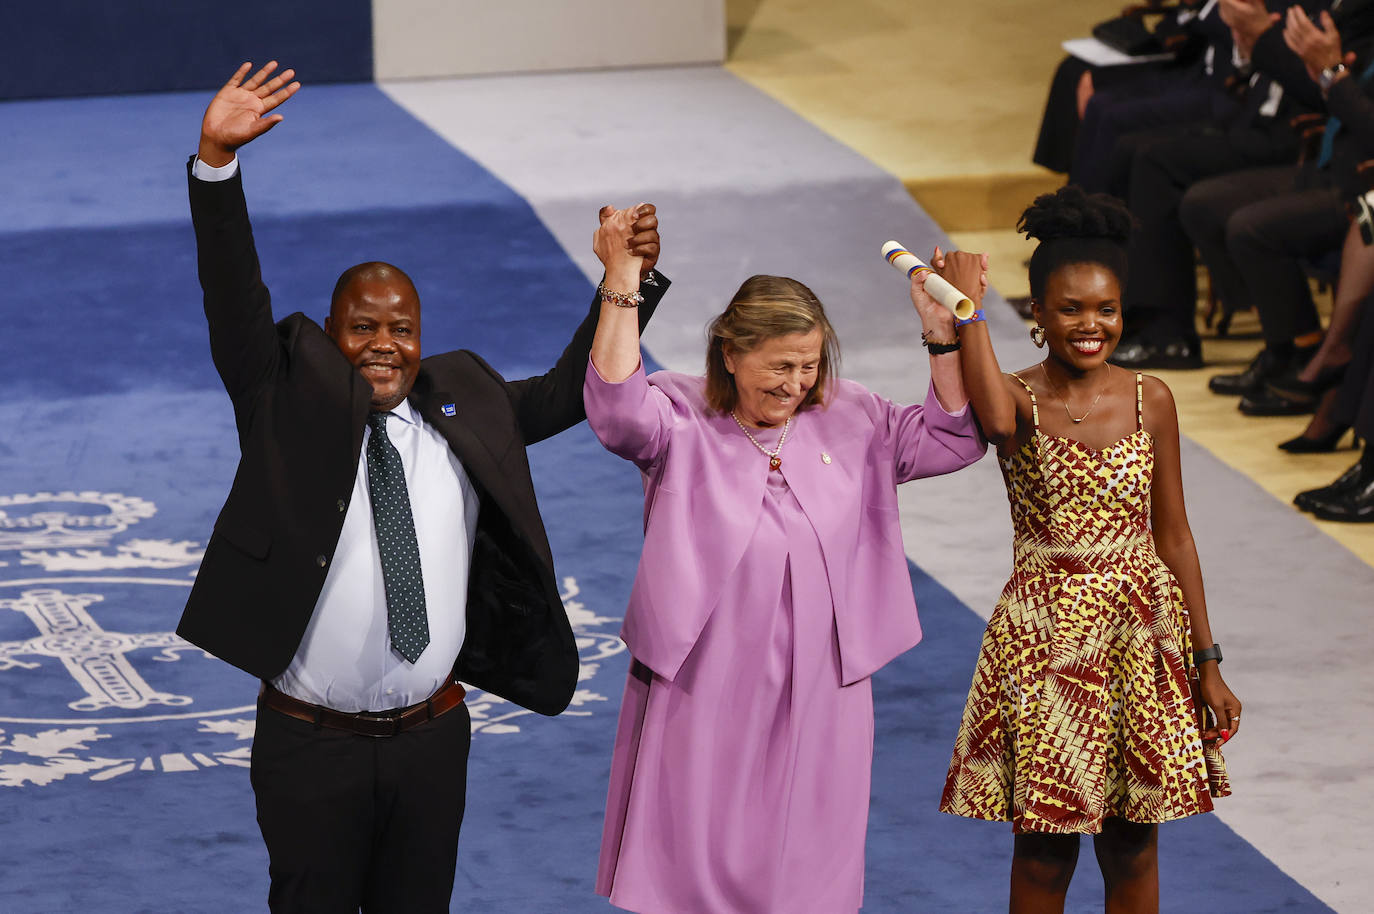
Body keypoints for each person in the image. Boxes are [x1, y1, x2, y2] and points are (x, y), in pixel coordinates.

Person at [175, 62, 668, 913]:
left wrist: (622, 286)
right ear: (330, 337)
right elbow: (231, 294)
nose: (382, 344)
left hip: (433, 738)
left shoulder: (461, 399)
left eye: (400, 329)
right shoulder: (281, 399)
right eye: (361, 327)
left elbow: (564, 393)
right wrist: (216, 160)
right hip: (308, 744)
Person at [582, 207, 992, 912]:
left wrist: (939, 335)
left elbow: (953, 439)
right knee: (695, 855)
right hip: (703, 678)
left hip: (824, 686)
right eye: (778, 366)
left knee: (807, 861)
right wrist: (623, 279)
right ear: (730, 353)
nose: (795, 383)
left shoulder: (853, 415)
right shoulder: (679, 415)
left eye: (807, 365)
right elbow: (616, 414)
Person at [940, 186, 1242, 913]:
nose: (1090, 325)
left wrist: (1207, 661)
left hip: (1141, 636)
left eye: (1105, 308)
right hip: (1046, 639)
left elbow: (1173, 532)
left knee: (1134, 840)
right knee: (1043, 846)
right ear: (1036, 315)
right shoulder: (1016, 395)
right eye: (1070, 309)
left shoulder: (1152, 398)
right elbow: (985, 415)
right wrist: (967, 308)